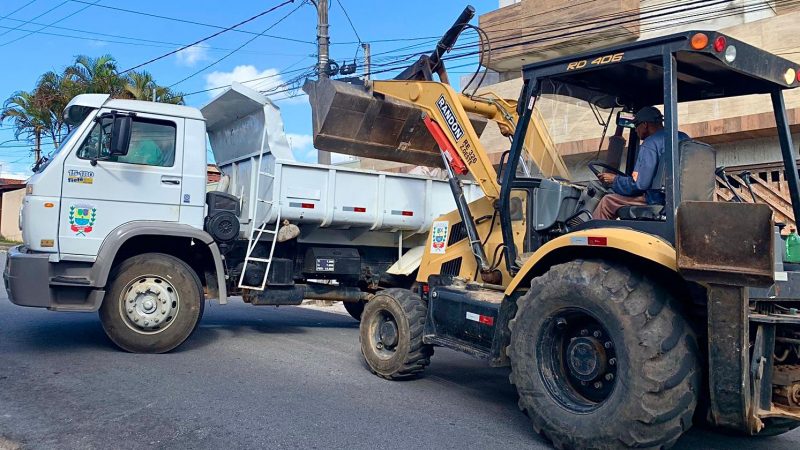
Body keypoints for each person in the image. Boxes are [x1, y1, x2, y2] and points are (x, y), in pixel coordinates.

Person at [592, 106, 689, 220]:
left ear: (645, 125)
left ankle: (592, 236)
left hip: (658, 200)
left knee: (607, 201)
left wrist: (615, 180)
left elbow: (639, 184)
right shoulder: (683, 137)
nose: (636, 130)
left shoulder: (650, 143)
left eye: (636, 126)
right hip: (682, 198)